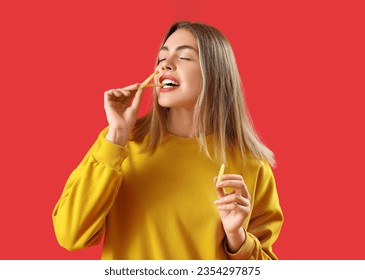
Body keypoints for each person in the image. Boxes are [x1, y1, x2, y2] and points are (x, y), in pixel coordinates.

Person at [52, 21, 283, 260]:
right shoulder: (119, 144)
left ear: (215, 73)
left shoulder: (252, 164)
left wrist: (238, 239)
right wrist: (117, 134)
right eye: (162, 59)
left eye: (184, 57)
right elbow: (70, 234)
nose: (165, 65)